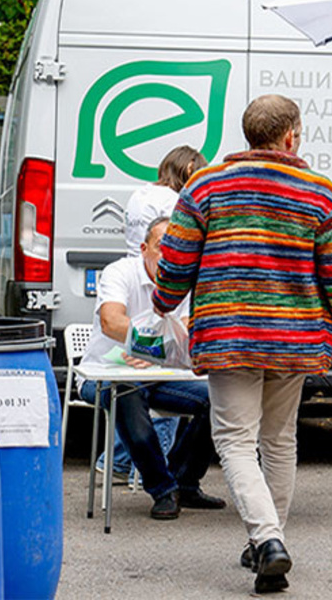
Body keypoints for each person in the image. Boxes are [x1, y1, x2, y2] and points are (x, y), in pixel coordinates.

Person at [152, 95, 332, 593]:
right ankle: (266, 542)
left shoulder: (205, 185)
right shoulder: (319, 192)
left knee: (233, 440)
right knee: (279, 439)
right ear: (291, 136)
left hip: (230, 334)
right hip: (294, 339)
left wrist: (165, 299)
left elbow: (176, 259)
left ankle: (267, 540)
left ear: (249, 134)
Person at [79, 216, 226, 519]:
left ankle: (184, 481)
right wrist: (152, 347)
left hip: (159, 376)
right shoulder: (119, 272)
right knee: (127, 393)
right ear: (144, 248)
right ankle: (162, 488)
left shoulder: (185, 281)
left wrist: (151, 353)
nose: (170, 255)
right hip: (104, 374)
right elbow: (111, 321)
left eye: (178, 247)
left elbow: (188, 331)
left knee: (221, 398)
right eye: (163, 247)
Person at [99, 145, 209, 481]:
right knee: (140, 391)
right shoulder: (174, 204)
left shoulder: (140, 194)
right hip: (145, 318)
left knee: (207, 394)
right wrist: (152, 349)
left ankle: (162, 474)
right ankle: (156, 478)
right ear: (189, 166)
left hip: (147, 300)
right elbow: (111, 322)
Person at [124, 145, 208, 256]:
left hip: (134, 265)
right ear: (189, 171)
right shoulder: (172, 201)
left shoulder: (138, 194)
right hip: (156, 268)